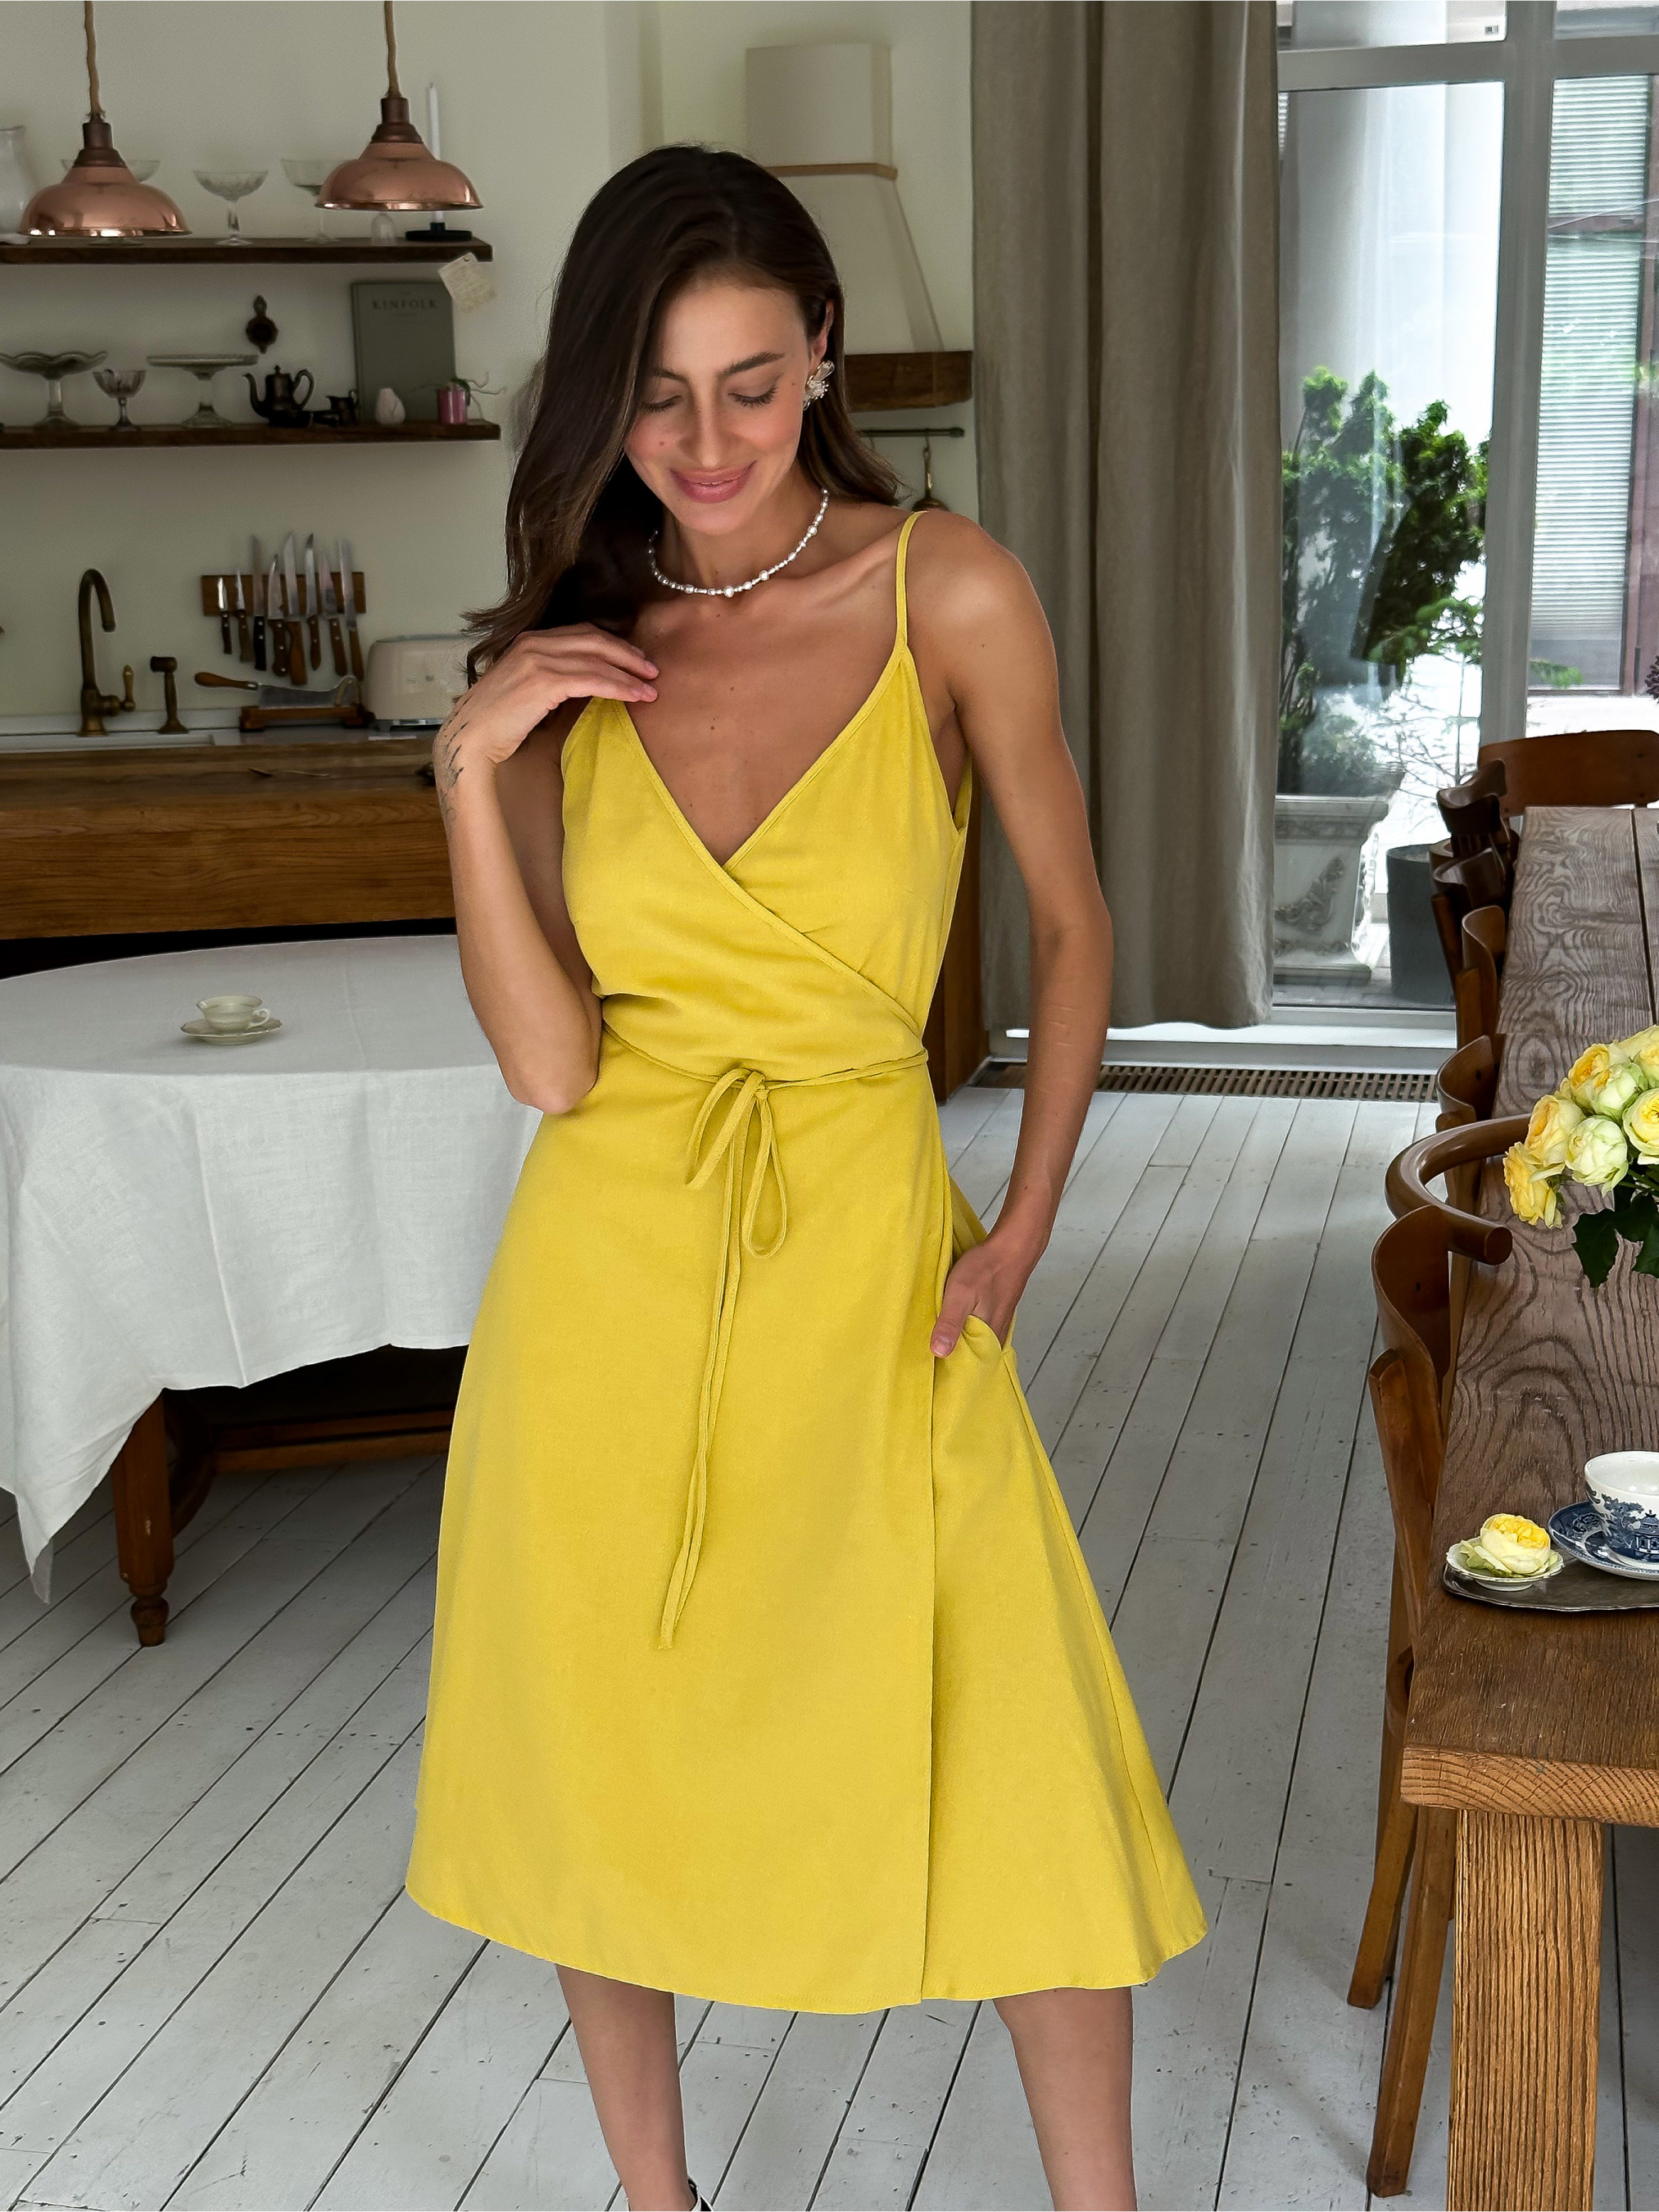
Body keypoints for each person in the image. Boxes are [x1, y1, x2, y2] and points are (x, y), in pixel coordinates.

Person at [404, 144, 1205, 2212]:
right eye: (656, 396)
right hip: (606, 1276)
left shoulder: (948, 589)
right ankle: (655, 2196)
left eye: (751, 385)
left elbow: (1071, 924)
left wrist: (1021, 1227)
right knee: (598, 1737)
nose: (705, 443)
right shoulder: (572, 653)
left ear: (823, 354)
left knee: (1011, 1737)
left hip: (867, 1241)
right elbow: (550, 1065)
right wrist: (467, 771)